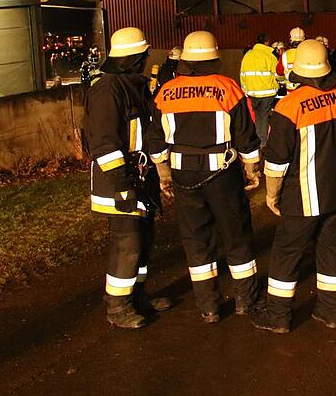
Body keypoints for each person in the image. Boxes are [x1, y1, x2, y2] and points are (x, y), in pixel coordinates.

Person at [146, 31, 264, 323]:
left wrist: (163, 174)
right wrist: (252, 167)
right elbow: (245, 136)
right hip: (222, 173)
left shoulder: (166, 92)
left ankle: (209, 307)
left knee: (196, 239)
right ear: (214, 58)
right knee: (236, 234)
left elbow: (156, 140)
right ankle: (245, 300)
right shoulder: (228, 88)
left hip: (183, 174)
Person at [253, 39, 336, 333]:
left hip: (302, 197)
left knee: (287, 253)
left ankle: (278, 315)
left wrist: (272, 194)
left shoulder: (289, 106)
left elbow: (277, 159)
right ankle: (331, 312)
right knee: (332, 249)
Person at [83, 27, 170, 329]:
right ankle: (117, 306)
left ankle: (138, 296)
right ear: (134, 58)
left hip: (139, 176)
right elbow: (104, 143)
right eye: (144, 56)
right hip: (117, 180)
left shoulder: (134, 85)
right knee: (127, 242)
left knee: (144, 241)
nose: (147, 60)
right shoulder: (107, 90)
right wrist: (122, 185)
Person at [239, 34, 280, 150]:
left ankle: (257, 140)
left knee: (256, 117)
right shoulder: (269, 56)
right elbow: (277, 74)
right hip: (267, 93)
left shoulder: (248, 55)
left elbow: (242, 74)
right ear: (267, 42)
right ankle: (263, 143)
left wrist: (245, 89)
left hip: (252, 92)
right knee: (264, 117)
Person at [280, 27, 306, 93]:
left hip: (290, 91)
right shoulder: (309, 52)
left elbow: (279, 71)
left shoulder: (284, 55)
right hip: (305, 89)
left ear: (290, 40)